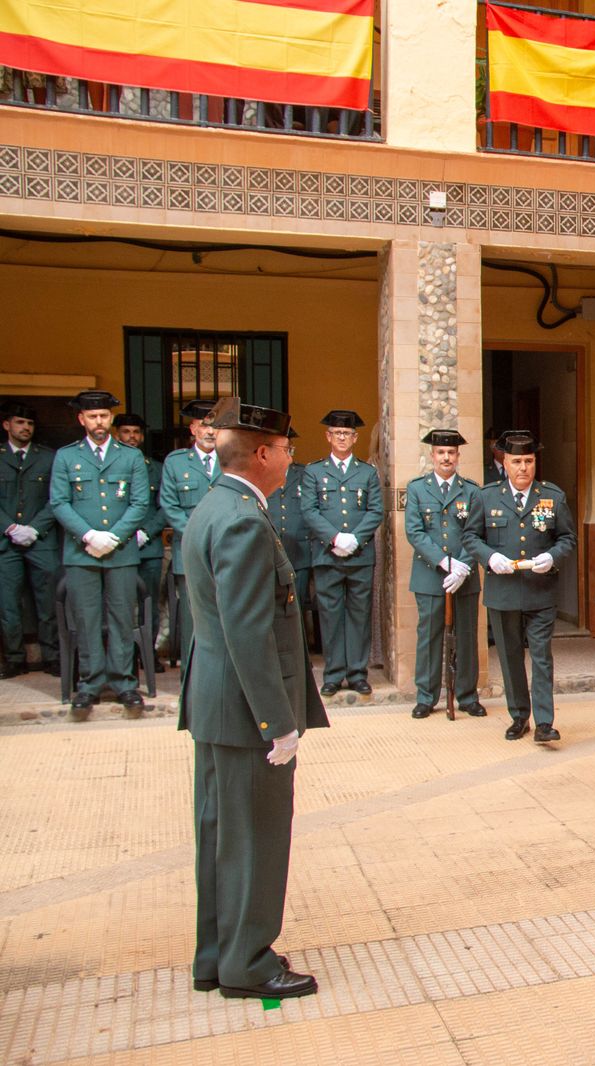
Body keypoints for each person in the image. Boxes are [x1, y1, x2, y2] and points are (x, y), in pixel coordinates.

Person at [179, 397, 328, 1001]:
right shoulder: (243, 519)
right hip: (246, 711)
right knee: (255, 838)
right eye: (287, 448)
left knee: (222, 836)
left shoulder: (217, 505)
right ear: (263, 453)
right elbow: (248, 629)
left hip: (217, 704)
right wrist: (278, 722)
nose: (292, 457)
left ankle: (218, 955)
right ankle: (248, 963)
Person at [464, 431, 575, 742]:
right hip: (503, 592)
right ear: (505, 462)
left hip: (541, 590)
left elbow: (567, 538)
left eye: (528, 461)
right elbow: (471, 537)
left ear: (535, 462)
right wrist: (490, 557)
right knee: (510, 656)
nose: (523, 467)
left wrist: (552, 557)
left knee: (541, 656)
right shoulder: (486, 497)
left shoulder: (552, 496)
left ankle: (544, 722)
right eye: (517, 461)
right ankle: (518, 716)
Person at [49, 390, 151, 718]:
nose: (99, 422)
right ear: (81, 419)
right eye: (93, 416)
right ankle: (89, 684)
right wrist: (89, 535)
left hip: (120, 552)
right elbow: (59, 502)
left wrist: (115, 536)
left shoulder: (130, 456)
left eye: (104, 416)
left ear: (111, 419)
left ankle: (124, 683)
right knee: (87, 618)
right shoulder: (66, 456)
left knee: (123, 617)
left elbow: (139, 503)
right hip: (82, 552)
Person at [404, 429, 486, 719]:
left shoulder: (472, 491)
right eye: (441, 452)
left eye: (451, 452)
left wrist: (462, 566)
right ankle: (426, 697)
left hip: (466, 575)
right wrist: (444, 562)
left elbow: (475, 532)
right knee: (428, 636)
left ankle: (466, 695)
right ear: (432, 456)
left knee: (466, 636)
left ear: (458, 456)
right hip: (429, 575)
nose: (446, 457)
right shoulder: (416, 489)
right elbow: (414, 532)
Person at [301, 410, 383, 696]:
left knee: (360, 615)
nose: (342, 438)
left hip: (360, 556)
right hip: (327, 554)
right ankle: (334, 674)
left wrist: (355, 539)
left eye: (347, 433)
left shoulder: (367, 472)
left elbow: (376, 511)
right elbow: (309, 511)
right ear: (328, 436)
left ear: (355, 437)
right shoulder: (314, 471)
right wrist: (335, 538)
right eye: (337, 433)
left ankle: (357, 673)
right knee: (331, 615)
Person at [161, 399, 222, 669]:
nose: (210, 431)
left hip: (225, 552)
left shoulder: (232, 460)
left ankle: (221, 673)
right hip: (190, 553)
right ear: (193, 428)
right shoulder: (176, 463)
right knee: (192, 617)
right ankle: (192, 674)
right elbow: (170, 506)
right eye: (204, 425)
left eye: (215, 426)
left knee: (224, 615)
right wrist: (199, 535)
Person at [1, 400, 60, 677]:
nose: (25, 428)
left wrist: (35, 528)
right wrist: (10, 528)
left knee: (47, 601)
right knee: (8, 603)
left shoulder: (48, 457)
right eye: (20, 422)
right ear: (7, 425)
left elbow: (57, 499)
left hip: (42, 540)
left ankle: (52, 655)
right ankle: (14, 657)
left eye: (30, 424)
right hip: (5, 541)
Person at [113, 412, 168, 674]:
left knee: (149, 604)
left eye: (136, 432)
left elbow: (164, 505)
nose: (132, 437)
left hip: (149, 546)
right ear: (116, 434)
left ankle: (148, 653)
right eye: (126, 432)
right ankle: (121, 657)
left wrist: (147, 532)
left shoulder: (155, 468)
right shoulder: (110, 465)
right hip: (116, 546)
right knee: (118, 602)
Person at [265, 429, 313, 612]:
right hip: (269, 552)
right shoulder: (263, 474)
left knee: (297, 608)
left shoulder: (303, 473)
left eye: (289, 449)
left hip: (298, 553)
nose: (287, 454)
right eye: (282, 449)